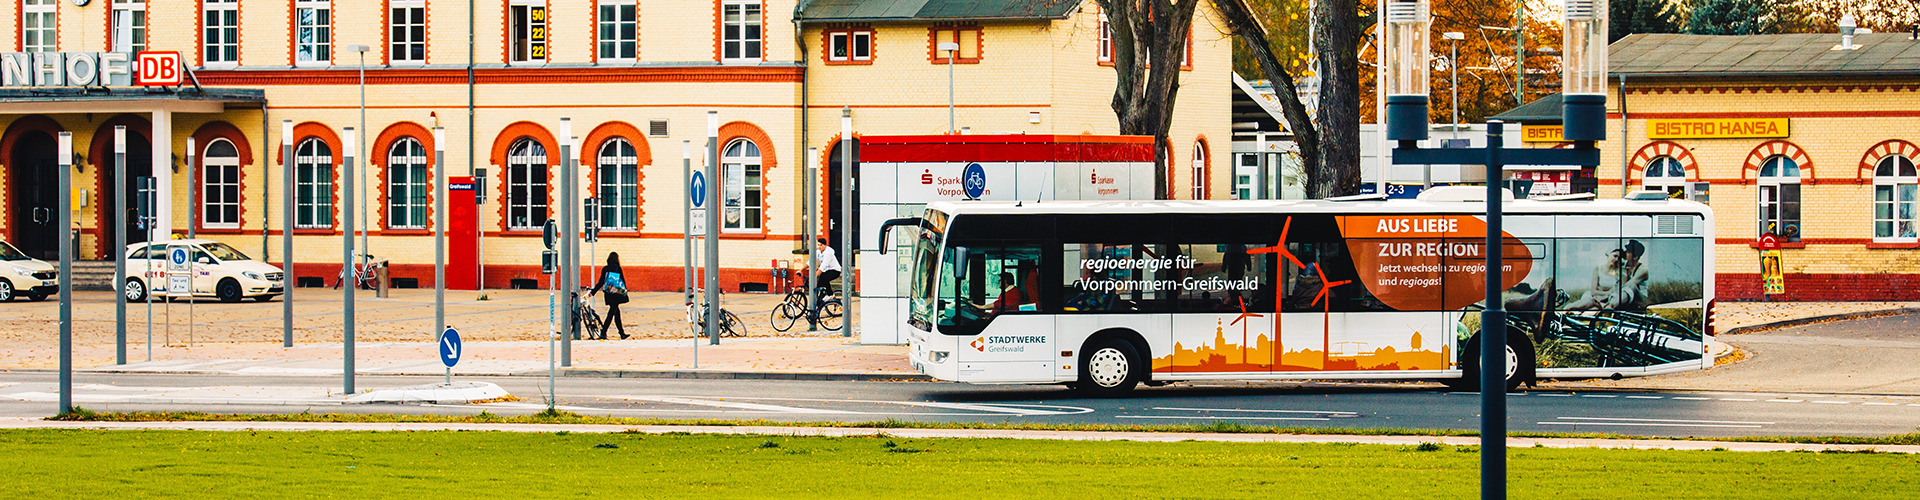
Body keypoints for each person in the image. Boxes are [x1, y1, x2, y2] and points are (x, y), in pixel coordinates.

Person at [586, 252, 628, 339]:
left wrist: (593, 292)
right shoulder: (618, 268)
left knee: (616, 313)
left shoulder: (605, 269)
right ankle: (603, 332)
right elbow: (622, 282)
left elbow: (601, 282)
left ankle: (622, 333)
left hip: (608, 294)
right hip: (616, 293)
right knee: (611, 313)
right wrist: (624, 292)